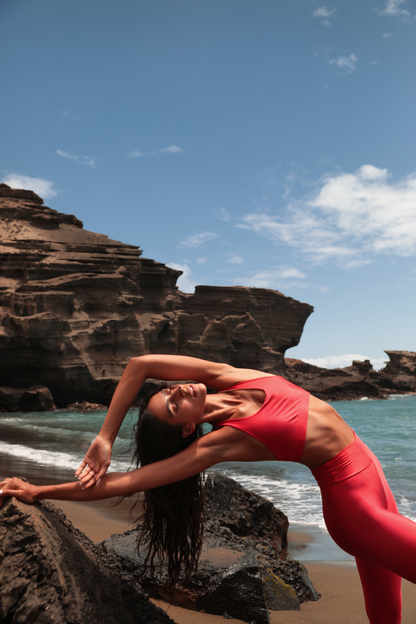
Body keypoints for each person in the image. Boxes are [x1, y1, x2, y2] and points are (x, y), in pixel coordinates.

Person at [1, 354, 415, 623]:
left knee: (386, 615)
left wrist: (104, 437)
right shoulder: (217, 443)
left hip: (377, 485)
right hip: (358, 513)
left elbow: (139, 365)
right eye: (175, 403)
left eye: (168, 391)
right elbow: (126, 482)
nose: (178, 389)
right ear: (187, 426)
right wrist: (40, 491)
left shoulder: (230, 378)